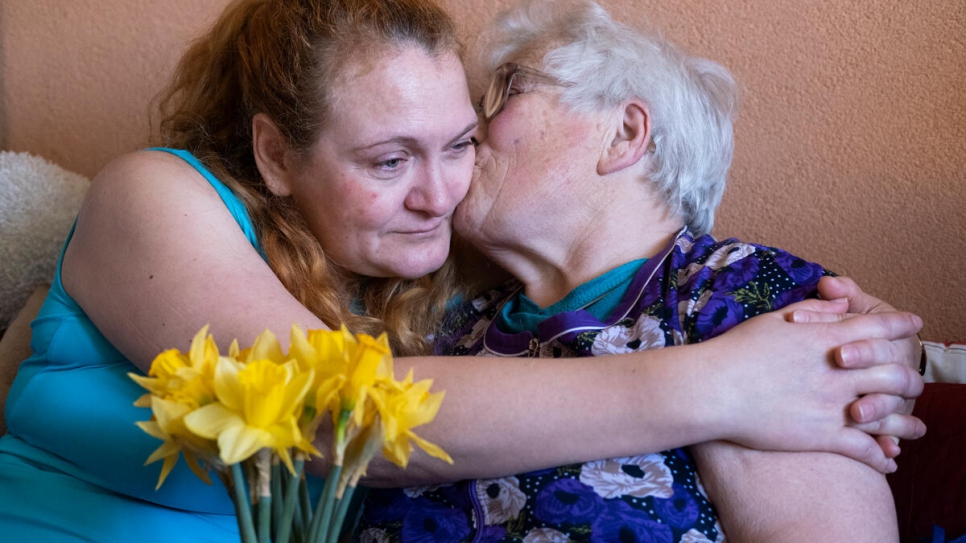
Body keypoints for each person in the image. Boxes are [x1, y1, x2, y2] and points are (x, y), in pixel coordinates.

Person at [0, 0, 922, 541]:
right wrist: (723, 383)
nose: (445, 185)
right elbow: (329, 406)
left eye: (475, 127)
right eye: (392, 158)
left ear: (627, 133)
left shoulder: (729, 294)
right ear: (277, 156)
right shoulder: (162, 198)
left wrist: (863, 349)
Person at [356, 1, 915, 541]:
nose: (470, 133)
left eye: (506, 92)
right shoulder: (448, 326)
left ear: (624, 134)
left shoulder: (737, 294)